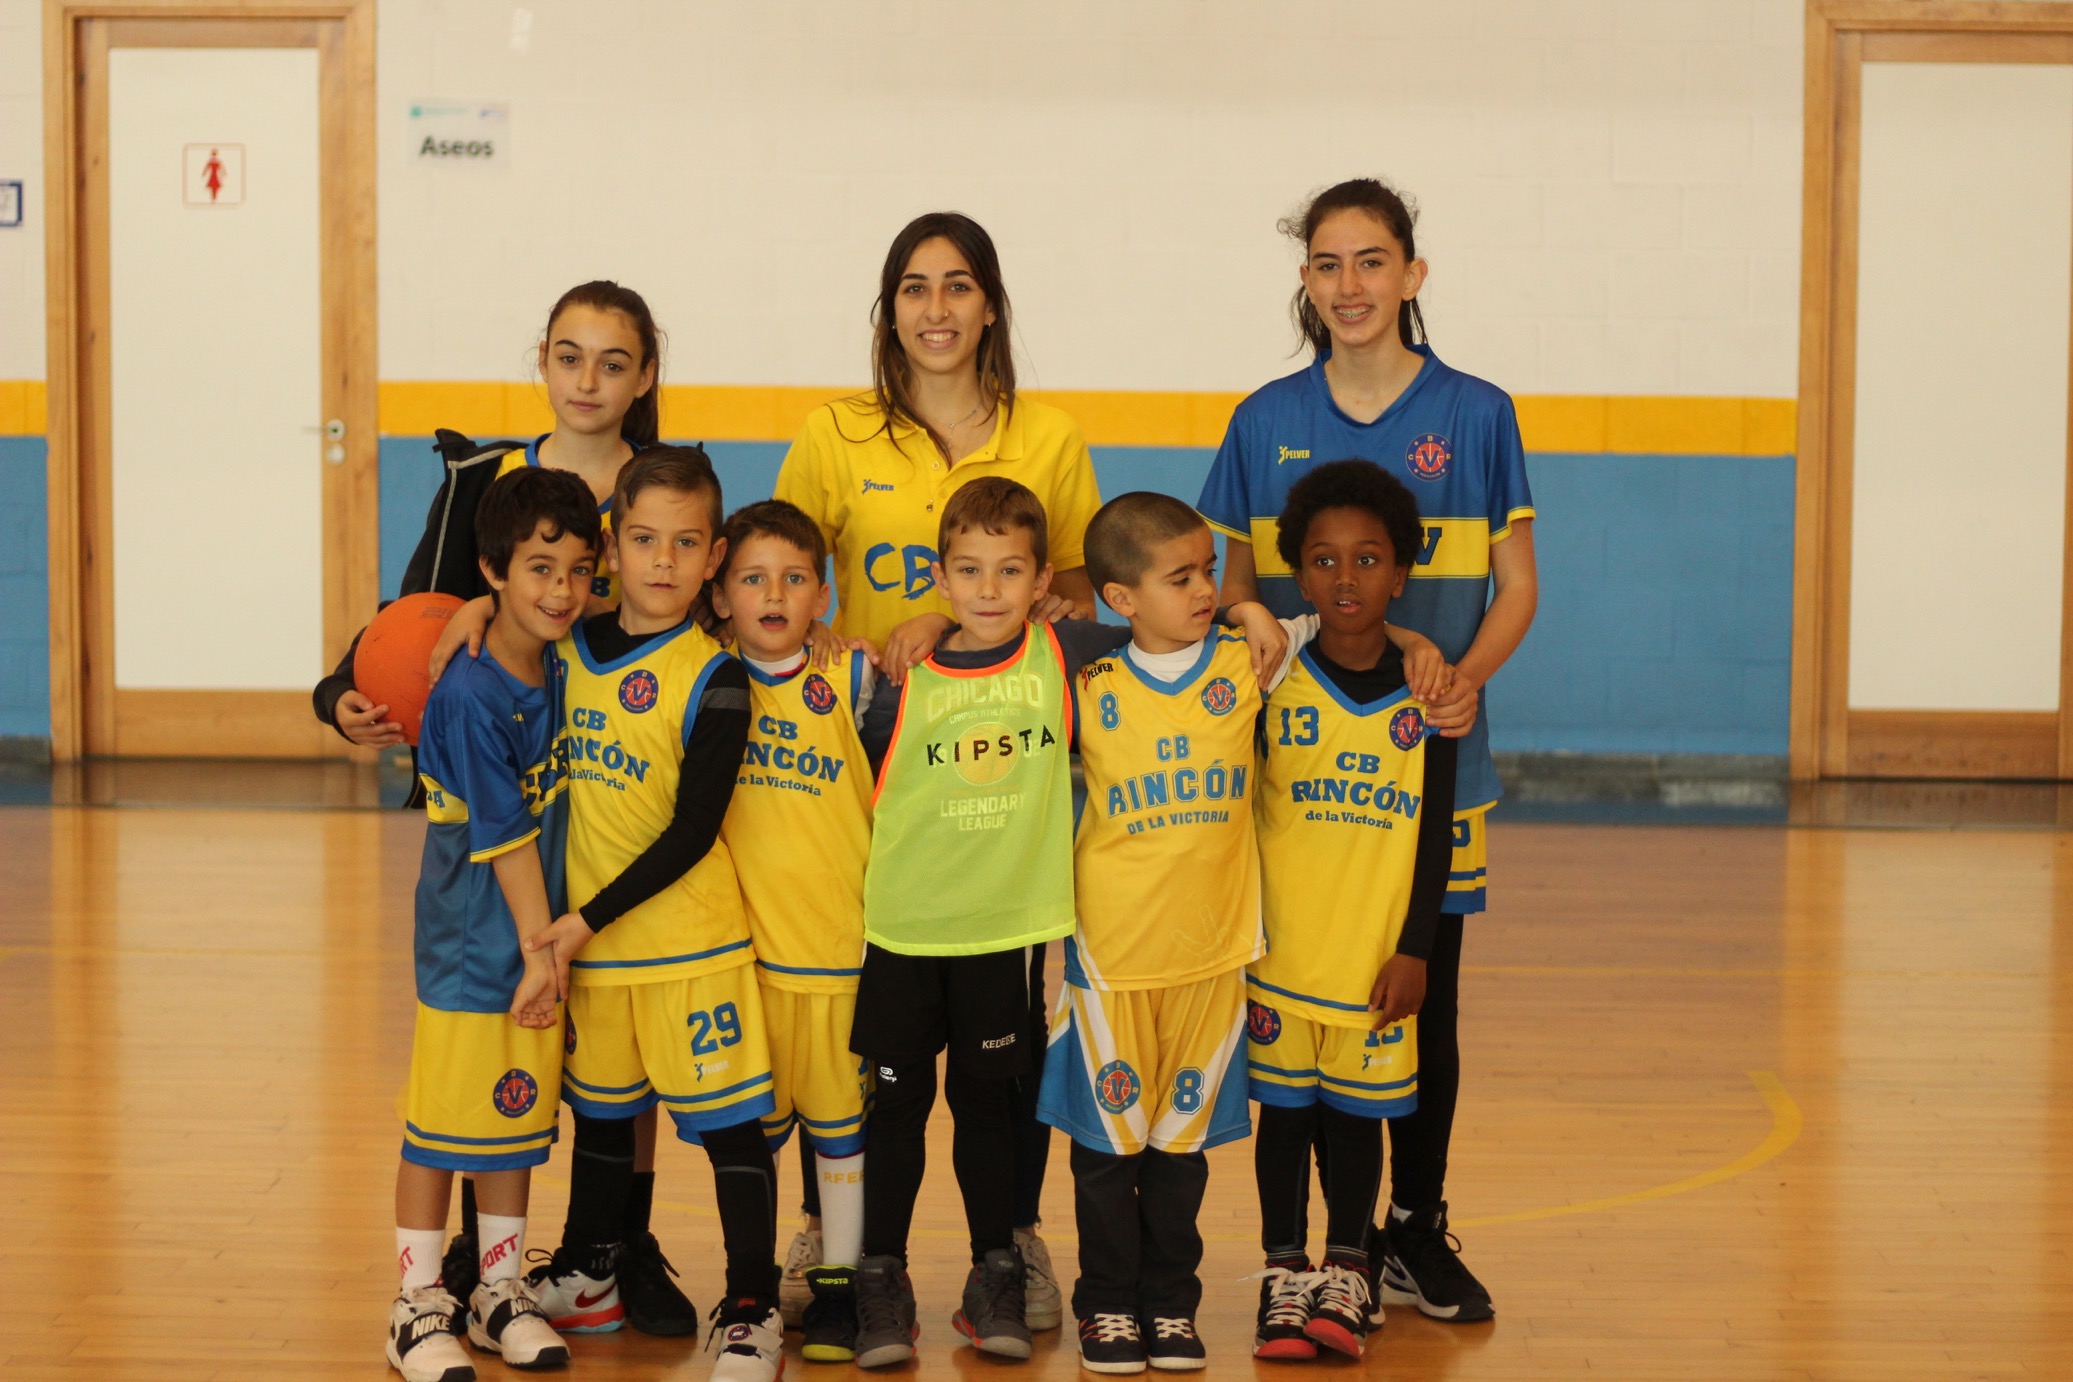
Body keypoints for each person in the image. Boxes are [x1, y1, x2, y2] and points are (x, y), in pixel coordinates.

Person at [846, 479, 1287, 1369]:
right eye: (968, 571)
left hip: (1009, 929)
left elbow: (1159, 622)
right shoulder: (895, 676)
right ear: (939, 576)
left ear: (1043, 580)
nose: (988, 589)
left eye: (1010, 571)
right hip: (901, 928)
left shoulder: (1066, 651)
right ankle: (877, 1276)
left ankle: (997, 1270)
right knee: (895, 1109)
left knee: (989, 1110)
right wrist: (921, 625)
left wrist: (1244, 605)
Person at [1198, 177, 1535, 1323]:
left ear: (1412, 273)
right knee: (1301, 994)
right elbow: (1236, 585)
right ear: (1306, 280)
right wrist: (1256, 621)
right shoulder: (1263, 419)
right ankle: (1311, 1247)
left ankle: (1412, 1229)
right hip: (1303, 774)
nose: (1351, 284)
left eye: (1372, 260)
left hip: (1430, 762)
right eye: (1329, 263)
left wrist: (1458, 681)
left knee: (1421, 997)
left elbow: (1517, 585)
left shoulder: (1478, 413)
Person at [772, 211, 1102, 1328]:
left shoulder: (1049, 435)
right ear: (889, 308)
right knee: (864, 1025)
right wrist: (840, 646)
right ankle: (835, 1228)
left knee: (1000, 1046)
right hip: (866, 755)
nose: (937, 308)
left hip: (992, 770)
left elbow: (1083, 586)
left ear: (990, 305)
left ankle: (1012, 1239)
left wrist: (973, 618)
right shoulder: (833, 432)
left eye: (958, 286)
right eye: (914, 287)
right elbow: (780, 569)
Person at [519, 447, 784, 1381]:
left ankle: (751, 1306)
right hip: (596, 954)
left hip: (688, 948)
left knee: (729, 1131)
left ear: (714, 558)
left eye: (684, 543)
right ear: (611, 546)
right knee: (603, 1119)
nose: (663, 561)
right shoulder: (563, 650)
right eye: (642, 540)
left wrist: (582, 920)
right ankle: (591, 1274)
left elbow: (692, 831)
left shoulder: (716, 676)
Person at [383, 466, 598, 1382]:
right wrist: (541, 952)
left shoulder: (561, 656)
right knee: (440, 1127)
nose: (562, 590)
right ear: (493, 569)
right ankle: (414, 1302)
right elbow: (504, 837)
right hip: (477, 947)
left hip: (532, 944)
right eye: (540, 569)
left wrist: (542, 953)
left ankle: (498, 1289)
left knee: (515, 1116)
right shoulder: (470, 695)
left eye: (579, 571)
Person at [1247, 461, 1461, 1362]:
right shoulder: (1268, 678)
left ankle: (1348, 1271)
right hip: (1280, 955)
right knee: (1284, 1120)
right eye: (1323, 560)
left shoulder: (1430, 695)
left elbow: (1434, 836)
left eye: (1368, 559)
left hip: (1374, 959)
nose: (1345, 577)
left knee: (1354, 1120)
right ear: (1298, 577)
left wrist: (1416, 950)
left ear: (1400, 573)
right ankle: (1282, 1273)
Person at [316, 279, 664, 752]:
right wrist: (337, 691)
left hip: (622, 750)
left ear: (644, 377)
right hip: (498, 748)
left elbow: (696, 625)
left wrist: (492, 607)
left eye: (612, 365)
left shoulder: (669, 490)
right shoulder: (480, 479)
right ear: (543, 360)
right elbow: (420, 607)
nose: (587, 382)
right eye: (569, 359)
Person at [709, 500, 877, 1365]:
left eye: (794, 578)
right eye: (752, 578)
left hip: (838, 958)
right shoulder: (702, 677)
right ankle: (753, 1287)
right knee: (755, 1135)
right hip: (742, 965)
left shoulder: (854, 678)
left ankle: (840, 1287)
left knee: (841, 1135)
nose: (774, 595)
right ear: (721, 595)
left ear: (823, 595)